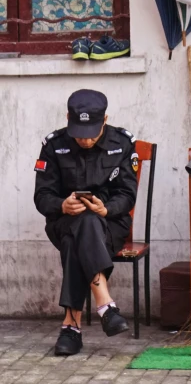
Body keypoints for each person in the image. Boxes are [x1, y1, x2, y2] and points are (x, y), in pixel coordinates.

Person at [34, 88, 139, 356]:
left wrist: (106, 208)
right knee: (81, 223)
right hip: (63, 222)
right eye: (80, 133)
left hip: (111, 224)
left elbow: (127, 195)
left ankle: (71, 329)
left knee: (80, 233)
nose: (86, 140)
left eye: (92, 132)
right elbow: (41, 196)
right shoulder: (53, 145)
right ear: (68, 118)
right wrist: (61, 205)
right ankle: (105, 304)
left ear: (105, 120)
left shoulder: (123, 143)